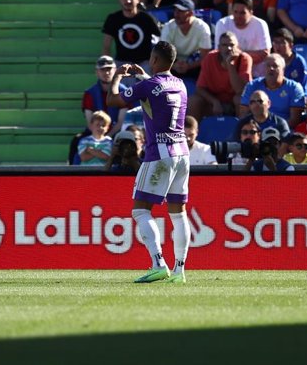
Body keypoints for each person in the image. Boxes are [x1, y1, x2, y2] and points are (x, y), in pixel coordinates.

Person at [106, 40, 191, 284]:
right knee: (178, 214)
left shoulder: (149, 85)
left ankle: (157, 263)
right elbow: (157, 90)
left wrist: (117, 76)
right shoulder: (181, 84)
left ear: (154, 60)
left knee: (140, 210)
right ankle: (179, 270)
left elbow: (114, 100)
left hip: (159, 154)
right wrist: (143, 76)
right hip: (182, 153)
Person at [187, 31, 252, 120]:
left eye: (232, 45)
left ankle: (242, 131)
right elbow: (199, 88)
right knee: (194, 101)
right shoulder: (210, 58)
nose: (229, 48)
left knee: (240, 99)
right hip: (214, 102)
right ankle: (191, 132)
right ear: (219, 47)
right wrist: (214, 101)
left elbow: (241, 90)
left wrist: (230, 65)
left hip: (234, 103)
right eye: (224, 45)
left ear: (238, 47)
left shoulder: (244, 59)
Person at [102, 0, 161, 69]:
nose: (128, 1)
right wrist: (108, 65)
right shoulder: (113, 19)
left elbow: (161, 41)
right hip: (122, 63)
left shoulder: (147, 18)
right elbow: (106, 46)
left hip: (145, 63)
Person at [240, 53, 305, 127]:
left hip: (283, 131)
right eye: (268, 66)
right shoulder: (252, 86)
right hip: (256, 131)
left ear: (283, 69)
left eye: (275, 66)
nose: (271, 68)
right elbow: (243, 114)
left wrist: (277, 131)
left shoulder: (294, 88)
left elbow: (295, 120)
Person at [214, 0, 271, 77]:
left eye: (242, 13)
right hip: (228, 72)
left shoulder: (260, 24)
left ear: (251, 13)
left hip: (256, 74)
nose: (238, 16)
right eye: (235, 12)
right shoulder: (222, 24)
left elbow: (265, 53)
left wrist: (237, 56)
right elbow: (219, 52)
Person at [161, 0, 212, 85]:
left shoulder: (202, 28)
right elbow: (163, 54)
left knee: (208, 68)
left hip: (194, 64)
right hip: (173, 63)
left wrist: (189, 66)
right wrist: (174, 65)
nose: (176, 14)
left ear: (191, 13)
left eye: (181, 11)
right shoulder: (168, 27)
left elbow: (205, 57)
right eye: (175, 10)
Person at [82, 55, 128, 136]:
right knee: (77, 141)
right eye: (102, 69)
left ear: (115, 70)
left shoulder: (124, 92)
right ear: (97, 72)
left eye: (109, 69)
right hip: (95, 134)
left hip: (118, 134)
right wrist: (100, 139)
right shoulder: (89, 94)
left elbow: (121, 122)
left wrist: (108, 138)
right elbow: (90, 122)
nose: (106, 72)